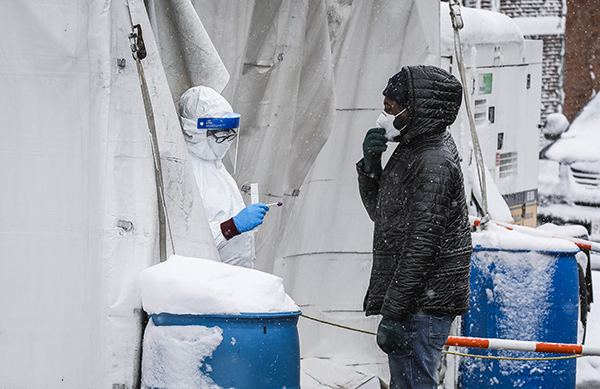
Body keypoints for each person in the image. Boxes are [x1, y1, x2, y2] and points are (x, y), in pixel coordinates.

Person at [356, 65, 472, 388]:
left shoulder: (433, 160)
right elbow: (382, 214)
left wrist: (393, 312)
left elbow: (421, 246)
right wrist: (370, 167)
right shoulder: (412, 147)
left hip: (422, 304)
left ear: (414, 110)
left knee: (413, 384)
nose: (384, 116)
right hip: (416, 299)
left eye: (391, 109)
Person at [179, 85, 270, 268]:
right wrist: (232, 226)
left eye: (231, 132)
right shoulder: (184, 173)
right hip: (205, 281)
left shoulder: (215, 165)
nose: (228, 139)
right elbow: (184, 240)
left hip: (228, 278)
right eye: (221, 133)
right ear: (194, 131)